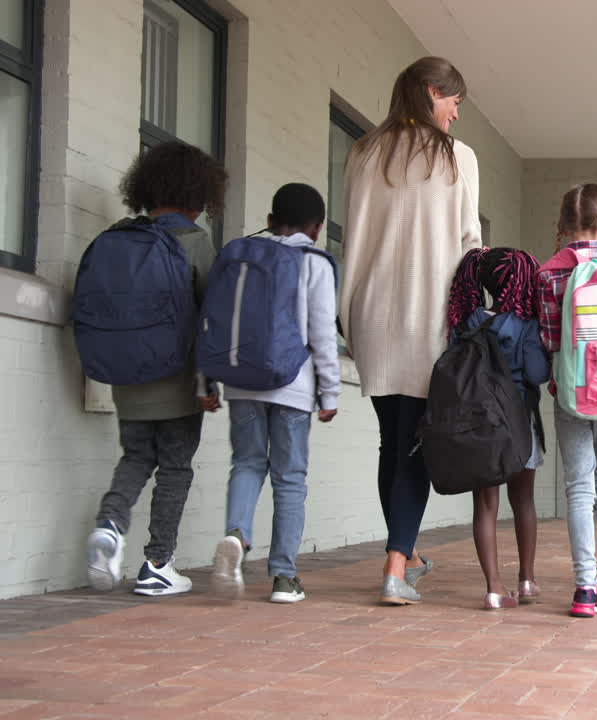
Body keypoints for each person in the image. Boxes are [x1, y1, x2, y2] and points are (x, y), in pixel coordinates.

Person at [339, 56, 482, 605]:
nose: (455, 115)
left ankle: (409, 554)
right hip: (428, 318)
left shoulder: (363, 151)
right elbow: (470, 241)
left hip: (371, 313)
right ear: (431, 92)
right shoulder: (456, 158)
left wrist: (347, 316)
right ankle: (395, 567)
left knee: (391, 441)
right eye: (453, 102)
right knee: (414, 446)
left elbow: (353, 238)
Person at [84, 142, 228, 596]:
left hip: (128, 380)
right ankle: (158, 564)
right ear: (199, 194)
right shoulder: (196, 243)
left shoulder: (119, 238)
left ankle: (110, 524)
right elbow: (213, 320)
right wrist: (209, 383)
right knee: (175, 468)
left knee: (135, 458)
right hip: (179, 382)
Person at [209, 183, 340, 604]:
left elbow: (212, 319)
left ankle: (237, 533)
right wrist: (330, 394)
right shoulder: (314, 262)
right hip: (292, 387)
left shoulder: (240, 256)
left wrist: (205, 380)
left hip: (241, 382)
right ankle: (284, 577)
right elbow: (322, 334)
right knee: (290, 480)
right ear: (317, 228)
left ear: (269, 221)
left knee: (246, 463)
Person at [534, 183, 597, 618]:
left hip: (573, 390)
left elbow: (548, 340)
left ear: (562, 224)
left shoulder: (548, 273)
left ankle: (585, 589)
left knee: (579, 486)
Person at [446, 247, 546, 609]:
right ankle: (528, 578)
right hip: (518, 421)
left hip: (477, 425)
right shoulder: (524, 325)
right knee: (524, 501)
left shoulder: (466, 320)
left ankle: (493, 587)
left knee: (485, 506)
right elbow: (538, 374)